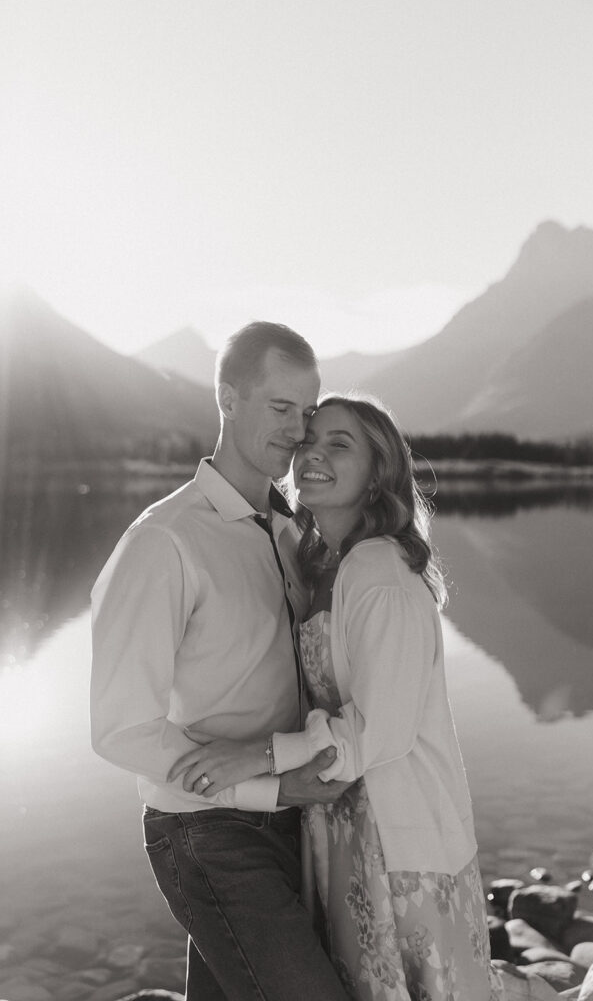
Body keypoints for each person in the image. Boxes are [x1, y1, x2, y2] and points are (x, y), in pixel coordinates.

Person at [171, 394, 502, 1001]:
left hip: (403, 845)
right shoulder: (324, 561)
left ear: (379, 474)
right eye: (308, 441)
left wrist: (256, 756)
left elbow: (382, 731)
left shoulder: (380, 574)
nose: (312, 454)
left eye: (338, 444)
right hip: (348, 829)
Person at [90, 323, 351, 1001]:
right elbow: (120, 729)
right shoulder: (163, 543)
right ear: (228, 400)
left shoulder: (296, 532)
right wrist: (272, 788)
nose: (297, 431)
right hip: (205, 834)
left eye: (306, 411)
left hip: (294, 821)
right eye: (279, 407)